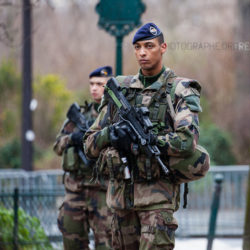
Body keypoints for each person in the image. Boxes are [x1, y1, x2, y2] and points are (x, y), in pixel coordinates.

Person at [83, 23, 209, 250]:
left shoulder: (179, 90)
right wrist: (111, 134)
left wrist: (151, 141)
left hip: (157, 202)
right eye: (138, 47)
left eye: (149, 46)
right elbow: (89, 145)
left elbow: (187, 141)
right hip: (121, 203)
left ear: (163, 48)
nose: (142, 52)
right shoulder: (119, 89)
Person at [54, 66, 114, 250]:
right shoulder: (79, 117)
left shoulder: (114, 115)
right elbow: (57, 146)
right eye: (92, 84)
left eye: (100, 84)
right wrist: (73, 138)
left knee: (107, 244)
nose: (94, 88)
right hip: (76, 190)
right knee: (72, 242)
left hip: (103, 191)